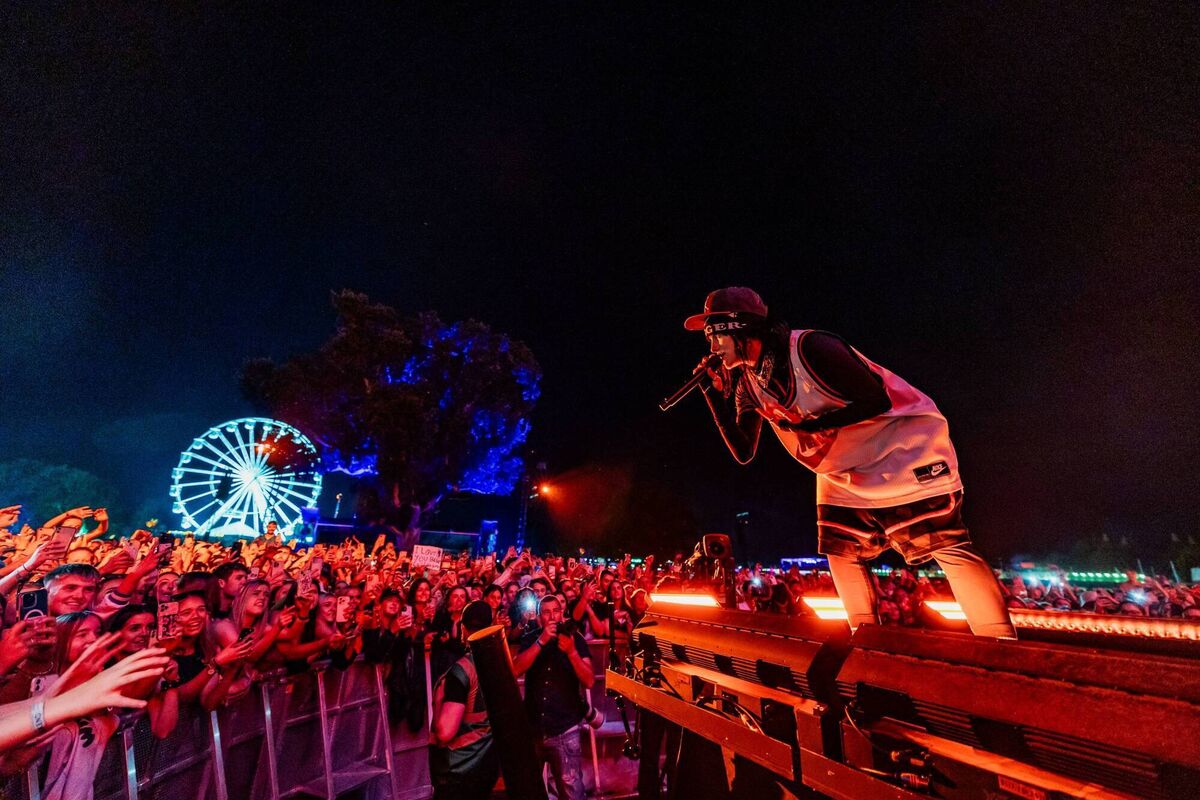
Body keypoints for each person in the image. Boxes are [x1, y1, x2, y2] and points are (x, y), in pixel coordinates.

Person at [687, 287, 1015, 638]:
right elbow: (743, 452)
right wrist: (710, 394)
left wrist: (811, 426)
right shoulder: (747, 386)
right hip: (845, 469)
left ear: (738, 328)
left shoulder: (811, 348)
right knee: (840, 551)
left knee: (945, 544)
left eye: (714, 336)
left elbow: (875, 398)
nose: (712, 348)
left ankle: (1000, 644)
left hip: (902, 447)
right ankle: (866, 642)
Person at [512, 595, 594, 800]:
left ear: (562, 613)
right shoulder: (531, 637)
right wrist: (541, 641)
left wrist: (572, 652)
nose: (551, 616)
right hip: (533, 728)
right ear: (540, 617)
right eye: (546, 612)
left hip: (565, 730)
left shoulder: (576, 639)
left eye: (555, 611)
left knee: (571, 793)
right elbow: (515, 669)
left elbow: (590, 681)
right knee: (529, 791)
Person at [429, 601, 499, 799]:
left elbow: (445, 731)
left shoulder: (462, 670)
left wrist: (439, 700)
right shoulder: (499, 661)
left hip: (459, 771)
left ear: (463, 628)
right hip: (486, 764)